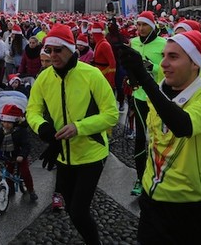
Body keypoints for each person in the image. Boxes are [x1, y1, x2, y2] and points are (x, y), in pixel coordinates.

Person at [119, 30, 201, 244]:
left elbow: (183, 125)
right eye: (164, 56)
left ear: (195, 63)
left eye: (174, 57)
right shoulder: (158, 92)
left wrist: (144, 78)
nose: (164, 63)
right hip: (153, 200)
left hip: (191, 207)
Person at [26, 24, 118, 245]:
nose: (53, 55)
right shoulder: (44, 77)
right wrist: (42, 128)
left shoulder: (92, 74)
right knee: (71, 208)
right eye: (49, 50)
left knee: (78, 211)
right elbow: (32, 111)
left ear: (71, 49)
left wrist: (79, 127)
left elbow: (111, 114)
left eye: (59, 50)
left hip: (92, 154)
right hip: (62, 156)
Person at [129, 11, 167, 196]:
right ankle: (139, 177)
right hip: (138, 96)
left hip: (157, 98)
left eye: (144, 25)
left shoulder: (164, 44)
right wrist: (130, 78)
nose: (141, 29)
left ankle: (158, 175)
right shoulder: (134, 43)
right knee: (140, 139)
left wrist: (154, 67)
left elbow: (169, 70)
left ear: (152, 26)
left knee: (156, 139)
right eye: (138, 25)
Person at [0, 104, 38, 202]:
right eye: (4, 122)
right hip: (8, 155)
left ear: (14, 123)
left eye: (8, 122)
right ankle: (10, 188)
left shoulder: (21, 132)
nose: (6, 124)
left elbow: (26, 145)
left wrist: (22, 155)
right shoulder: (2, 131)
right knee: (8, 173)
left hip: (19, 155)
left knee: (25, 172)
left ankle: (31, 190)